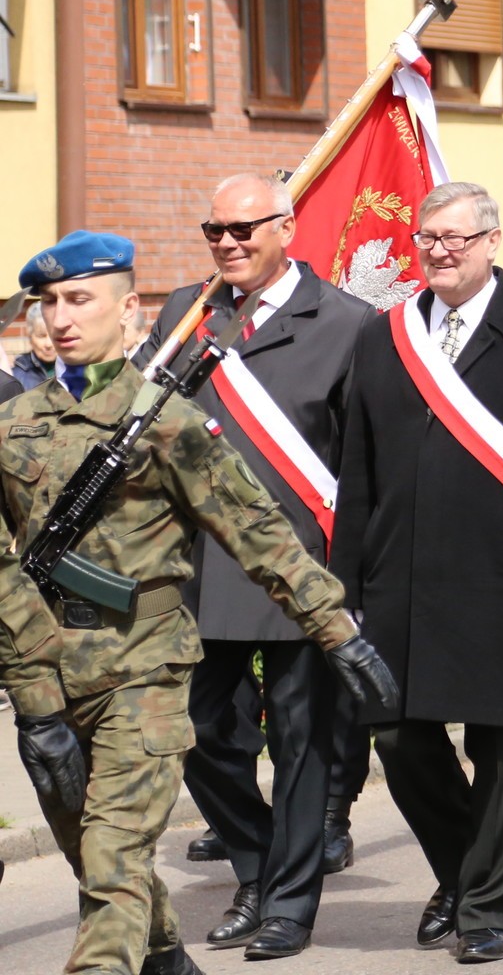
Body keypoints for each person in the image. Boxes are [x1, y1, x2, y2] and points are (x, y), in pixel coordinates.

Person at [0, 231, 396, 975]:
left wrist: (336, 630)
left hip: (142, 674)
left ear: (129, 311)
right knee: (94, 857)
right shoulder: (12, 425)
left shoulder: (167, 422)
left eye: (80, 299)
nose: (61, 317)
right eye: (48, 303)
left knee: (112, 861)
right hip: (46, 680)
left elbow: (259, 533)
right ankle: (168, 961)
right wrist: (37, 703)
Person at [331, 182, 503, 963]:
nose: (440, 251)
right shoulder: (384, 336)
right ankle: (461, 874)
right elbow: (358, 469)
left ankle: (483, 908)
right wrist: (343, 585)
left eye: (456, 238)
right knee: (397, 735)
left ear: (491, 243)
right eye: (429, 238)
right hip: (400, 579)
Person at [136, 173, 377, 959]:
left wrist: (352, 580)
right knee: (194, 730)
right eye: (215, 230)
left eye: (243, 229)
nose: (228, 243)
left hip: (300, 570)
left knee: (303, 744)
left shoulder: (346, 322)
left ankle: (289, 906)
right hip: (201, 570)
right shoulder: (187, 312)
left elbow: (364, 464)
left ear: (286, 227)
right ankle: (260, 864)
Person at [11, 300, 56, 388]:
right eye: (41, 336)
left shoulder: (75, 370)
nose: (48, 344)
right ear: (30, 337)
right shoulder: (17, 376)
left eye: (53, 335)